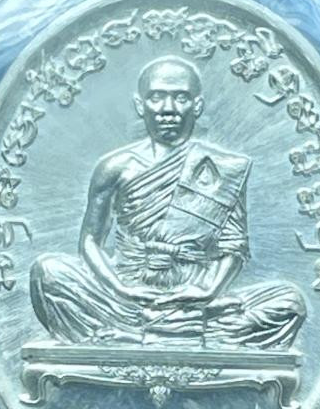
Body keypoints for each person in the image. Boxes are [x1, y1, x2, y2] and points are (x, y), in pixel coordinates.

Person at [30, 55, 305, 347]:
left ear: (197, 106)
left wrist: (209, 291)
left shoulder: (223, 168)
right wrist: (121, 289)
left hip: (195, 299)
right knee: (47, 272)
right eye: (156, 97)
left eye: (181, 98)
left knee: (290, 303)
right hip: (127, 298)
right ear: (140, 105)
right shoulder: (115, 167)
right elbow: (89, 241)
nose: (168, 109)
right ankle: (175, 332)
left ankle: (137, 335)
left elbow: (234, 247)